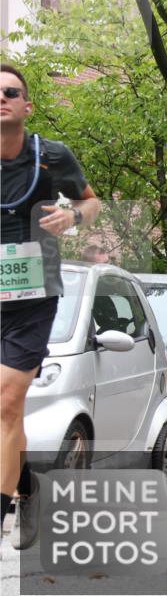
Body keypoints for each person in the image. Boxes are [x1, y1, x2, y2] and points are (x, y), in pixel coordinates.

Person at [1, 64, 100, 548]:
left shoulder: (51, 156)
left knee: (6, 402)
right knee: (7, 416)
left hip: (34, 295)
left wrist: (73, 215)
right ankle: (28, 491)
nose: (1, 97)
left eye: (10, 91)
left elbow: (92, 202)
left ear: (26, 106)